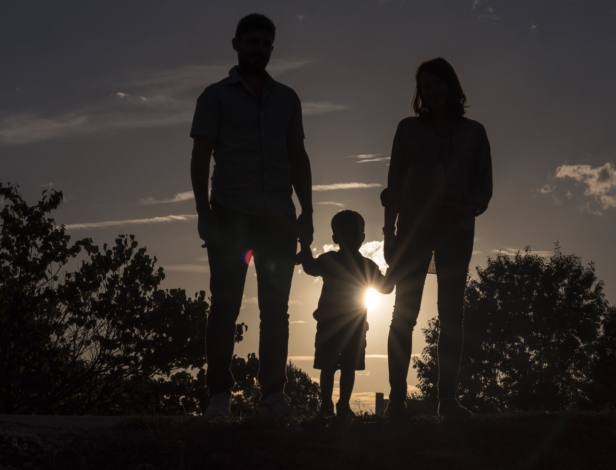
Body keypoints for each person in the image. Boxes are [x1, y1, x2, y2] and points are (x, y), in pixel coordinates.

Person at [190, 13, 314, 417]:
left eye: (266, 44)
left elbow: (298, 156)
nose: (259, 49)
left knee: (276, 308)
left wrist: (307, 212)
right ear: (237, 44)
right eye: (252, 42)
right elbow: (201, 155)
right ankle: (219, 396)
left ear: (271, 50)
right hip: (230, 213)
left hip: (279, 216)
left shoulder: (288, 98)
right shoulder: (215, 96)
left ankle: (272, 395)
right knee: (225, 304)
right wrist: (203, 212)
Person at [382, 58, 493, 417]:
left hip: (455, 234)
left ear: (451, 86)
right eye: (425, 86)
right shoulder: (408, 130)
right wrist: (388, 233)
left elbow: (483, 189)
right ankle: (397, 400)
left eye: (438, 84)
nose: (432, 92)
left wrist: (461, 212)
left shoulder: (474, 132)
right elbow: (393, 187)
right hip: (412, 233)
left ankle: (448, 400)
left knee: (451, 316)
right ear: (420, 92)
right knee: (404, 315)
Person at [297, 210, 394, 419]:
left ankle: (340, 406)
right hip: (338, 324)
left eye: (355, 234)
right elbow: (386, 287)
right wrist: (304, 247)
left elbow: (386, 288)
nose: (352, 239)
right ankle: (329, 406)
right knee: (332, 366)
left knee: (341, 366)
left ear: (362, 238)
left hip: (348, 325)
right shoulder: (356, 264)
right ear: (336, 238)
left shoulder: (357, 264)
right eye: (347, 234)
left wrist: (304, 246)